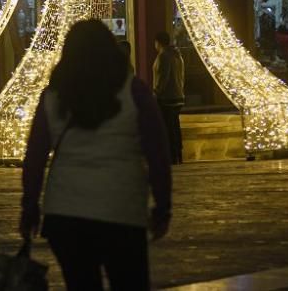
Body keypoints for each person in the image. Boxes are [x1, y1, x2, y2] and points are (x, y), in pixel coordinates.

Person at [21, 20, 172, 290]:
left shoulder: (53, 96)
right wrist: (162, 205)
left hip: (65, 213)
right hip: (120, 210)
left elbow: (35, 156)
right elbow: (158, 152)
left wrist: (30, 206)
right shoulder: (134, 92)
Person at [152, 31, 185, 164]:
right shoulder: (177, 56)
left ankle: (171, 154)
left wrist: (156, 92)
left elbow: (162, 77)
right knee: (174, 126)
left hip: (167, 98)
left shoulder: (164, 56)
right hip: (178, 96)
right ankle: (177, 153)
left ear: (158, 42)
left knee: (167, 127)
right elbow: (182, 77)